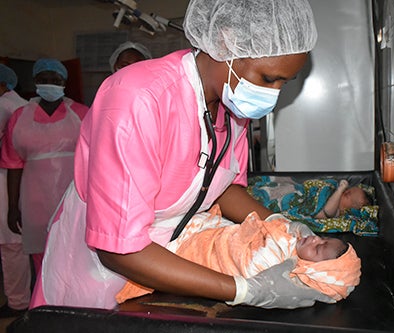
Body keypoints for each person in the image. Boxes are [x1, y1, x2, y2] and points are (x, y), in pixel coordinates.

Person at [31, 0, 330, 310]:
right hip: (100, 271)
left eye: (284, 82)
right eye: (268, 79)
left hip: (171, 261)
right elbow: (118, 248)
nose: (273, 94)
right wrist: (244, 290)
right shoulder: (138, 99)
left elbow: (221, 186)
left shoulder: (233, 109)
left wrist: (283, 225)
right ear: (226, 42)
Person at [116, 205, 361, 304]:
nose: (316, 238)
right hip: (209, 229)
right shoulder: (293, 241)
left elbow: (247, 264)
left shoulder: (274, 262)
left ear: (313, 271)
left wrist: (278, 233)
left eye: (319, 248)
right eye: (323, 237)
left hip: (192, 247)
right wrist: (283, 224)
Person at [0, 59, 89, 278]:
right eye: (43, 80)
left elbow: (95, 158)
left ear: (64, 82)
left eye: (55, 80)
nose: (50, 84)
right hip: (34, 200)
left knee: (75, 251)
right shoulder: (20, 117)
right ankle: (44, 304)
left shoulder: (82, 113)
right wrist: (12, 206)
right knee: (41, 254)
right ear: (35, 81)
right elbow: (13, 164)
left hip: (73, 195)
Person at [0, 64, 31, 317]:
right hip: (18, 180)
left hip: (8, 180)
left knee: (11, 245)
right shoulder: (20, 106)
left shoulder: (7, 106)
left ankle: (17, 302)